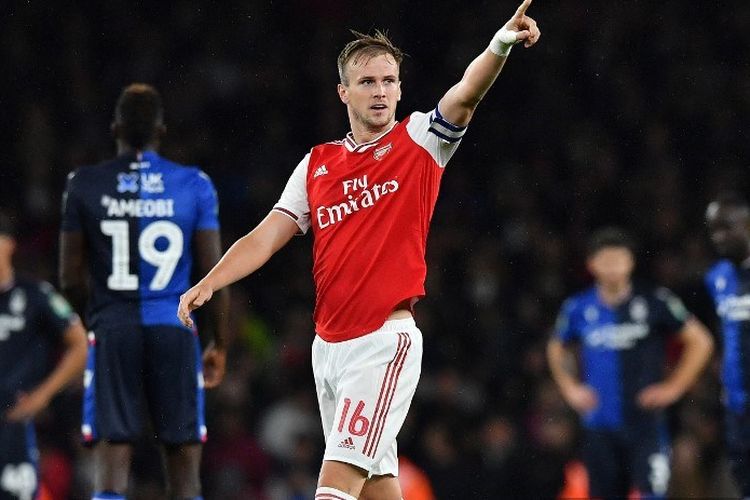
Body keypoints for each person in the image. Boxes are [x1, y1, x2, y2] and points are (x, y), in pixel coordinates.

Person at [177, 2, 541, 499]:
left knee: (334, 490)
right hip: (327, 349)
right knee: (376, 488)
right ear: (343, 92)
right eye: (368, 82)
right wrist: (210, 281)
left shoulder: (420, 140)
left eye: (389, 81)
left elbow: (467, 92)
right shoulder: (317, 165)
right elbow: (266, 235)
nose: (381, 92)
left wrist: (500, 42)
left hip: (382, 343)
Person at [59, 83, 229, 500]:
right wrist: (218, 342)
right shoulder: (194, 184)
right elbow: (213, 274)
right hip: (175, 329)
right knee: (184, 470)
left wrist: (95, 321)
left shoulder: (84, 184)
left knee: (112, 464)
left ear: (114, 127)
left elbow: (69, 279)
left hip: (114, 328)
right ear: (161, 131)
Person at [547, 227, 713, 499]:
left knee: (651, 494)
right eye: (606, 261)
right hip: (599, 425)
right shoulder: (577, 307)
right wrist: (570, 388)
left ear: (631, 262)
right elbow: (557, 346)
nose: (613, 268)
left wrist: (674, 388)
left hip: (645, 424)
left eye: (619, 260)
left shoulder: (655, 301)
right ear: (592, 264)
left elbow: (701, 341)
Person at [0, 211, 87, 500]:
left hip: (12, 424)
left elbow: (80, 345)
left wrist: (43, 395)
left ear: (8, 244)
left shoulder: (35, 295)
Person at [704, 192, 750, 497]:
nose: (719, 237)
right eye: (713, 230)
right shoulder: (716, 277)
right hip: (737, 402)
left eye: (726, 227)